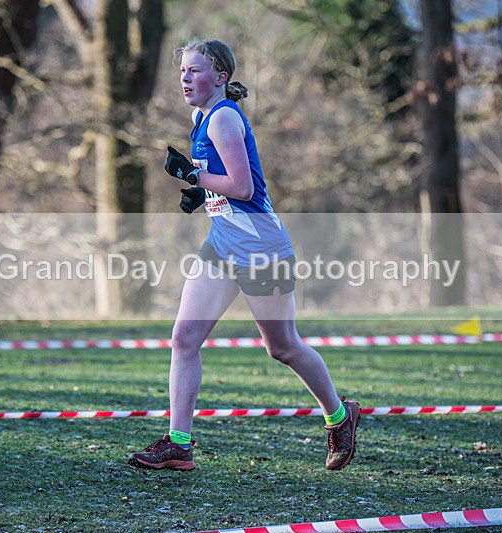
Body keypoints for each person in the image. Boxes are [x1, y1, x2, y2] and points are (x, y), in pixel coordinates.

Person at [127, 38, 359, 471]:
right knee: (184, 339)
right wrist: (203, 194)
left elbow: (244, 187)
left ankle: (340, 416)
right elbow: (225, 183)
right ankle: (179, 444)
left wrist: (195, 176)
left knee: (282, 347)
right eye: (182, 71)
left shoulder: (223, 118)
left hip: (260, 248)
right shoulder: (200, 116)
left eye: (195, 71)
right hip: (222, 243)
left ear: (220, 77)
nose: (185, 78)